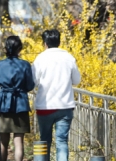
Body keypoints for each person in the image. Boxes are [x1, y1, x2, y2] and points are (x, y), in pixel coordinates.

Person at [32, 29, 81, 161]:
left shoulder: (40, 58)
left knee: (44, 140)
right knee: (62, 141)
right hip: (65, 106)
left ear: (45, 43)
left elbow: (33, 81)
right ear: (59, 42)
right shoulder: (68, 57)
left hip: (44, 106)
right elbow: (76, 80)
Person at [0, 36, 35, 161]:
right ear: (19, 49)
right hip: (20, 103)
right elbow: (30, 85)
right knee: (19, 142)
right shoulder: (25, 65)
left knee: (3, 142)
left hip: (3, 103)